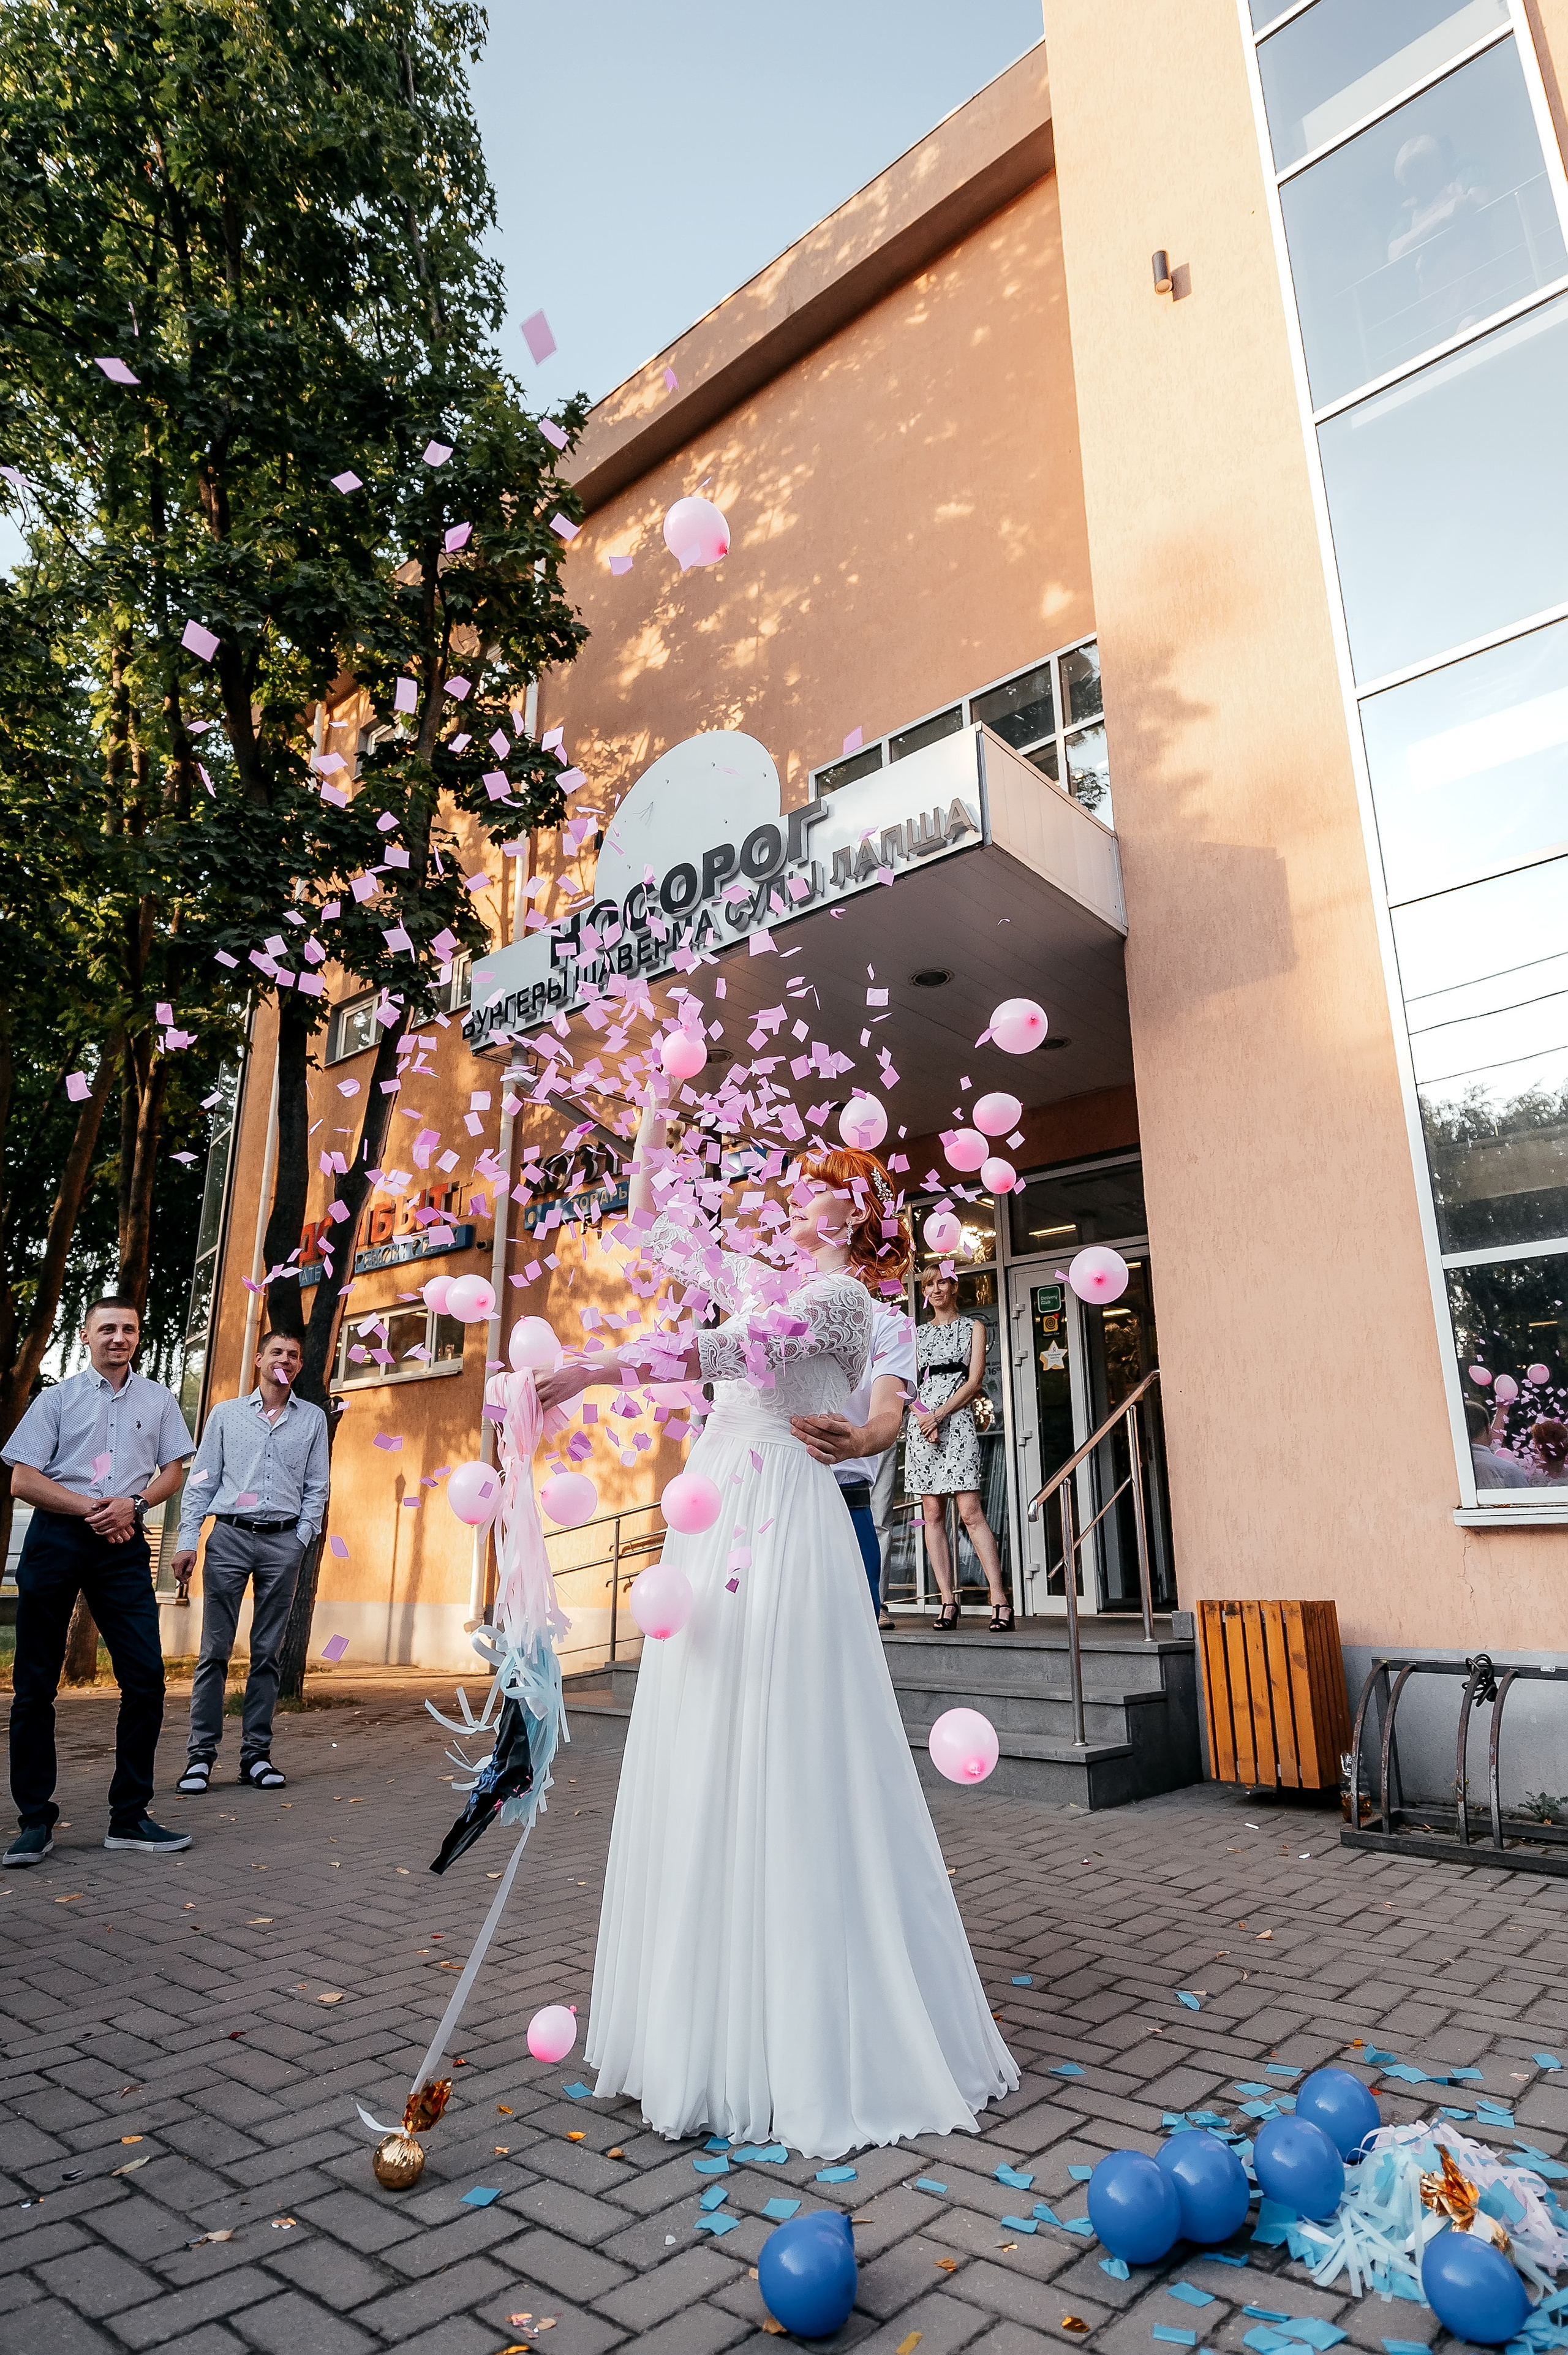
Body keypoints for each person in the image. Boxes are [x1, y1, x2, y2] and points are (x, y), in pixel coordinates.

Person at [538, 1103, 1016, 2158]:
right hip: (713, 1512)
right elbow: (648, 1219)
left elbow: (873, 1400)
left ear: (860, 1211)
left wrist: (591, 1367)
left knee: (785, 1741)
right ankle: (705, 2020)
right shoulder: (764, 1275)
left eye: (825, 1177)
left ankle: (794, 2025)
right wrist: (653, 1112)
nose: (799, 1186)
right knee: (705, 1739)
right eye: (800, 1174)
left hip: (782, 1515)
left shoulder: (848, 1296)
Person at [2, 1297, 194, 1865]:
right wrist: (95, 1508)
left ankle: (129, 1816)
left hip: (123, 1544)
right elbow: (22, 1479)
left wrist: (131, 1506)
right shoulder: (56, 1399)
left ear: (138, 1337)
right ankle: (35, 1820)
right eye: (107, 1328)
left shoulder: (158, 1399)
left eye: (129, 1329)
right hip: (58, 1538)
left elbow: (175, 1469)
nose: (119, 1337)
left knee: (146, 1678)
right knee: (35, 1685)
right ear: (86, 1337)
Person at [170, 1329, 330, 1793]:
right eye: (277, 1352)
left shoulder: (313, 1419)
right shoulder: (225, 1415)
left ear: (300, 1366)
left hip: (283, 1542)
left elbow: (318, 1484)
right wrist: (188, 1541)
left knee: (267, 1654)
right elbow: (200, 1481)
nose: (286, 1359)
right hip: (230, 1539)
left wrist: (300, 1539)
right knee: (213, 1652)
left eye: (294, 1355)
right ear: (260, 1359)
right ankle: (200, 1758)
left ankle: (256, 1757)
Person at [790, 1164, 914, 1630]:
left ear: (858, 1210)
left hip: (840, 1505)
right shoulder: (767, 1303)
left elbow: (888, 1415)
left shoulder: (889, 1323)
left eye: (815, 1189)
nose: (792, 1199)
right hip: (760, 1506)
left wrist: (858, 1441)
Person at [905, 1267, 1012, 1631]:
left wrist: (939, 1415)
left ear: (954, 1287)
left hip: (957, 1421)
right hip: (923, 1425)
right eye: (928, 1285)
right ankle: (948, 1601)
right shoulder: (916, 1335)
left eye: (941, 1282)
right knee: (932, 1514)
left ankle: (999, 1598)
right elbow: (907, 1385)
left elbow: (975, 1380)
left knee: (970, 1512)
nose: (935, 1290)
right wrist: (924, 1419)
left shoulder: (973, 1328)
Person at [1465, 1398, 1533, 1491]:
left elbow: (1495, 1443)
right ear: (1488, 1429)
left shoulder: (1446, 1467)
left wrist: (1501, 1411)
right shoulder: (1509, 1470)